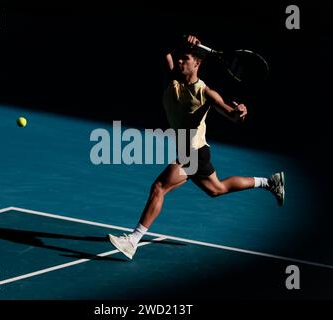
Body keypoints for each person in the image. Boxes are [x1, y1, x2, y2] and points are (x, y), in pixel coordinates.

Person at [108, 35, 285, 259]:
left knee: (159, 187)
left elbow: (233, 116)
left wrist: (241, 112)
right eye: (179, 58)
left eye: (185, 58)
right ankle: (269, 182)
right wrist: (183, 43)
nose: (180, 61)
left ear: (197, 64)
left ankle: (132, 240)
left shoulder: (206, 93)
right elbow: (164, 51)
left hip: (192, 153)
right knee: (216, 189)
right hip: (191, 152)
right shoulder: (171, 78)